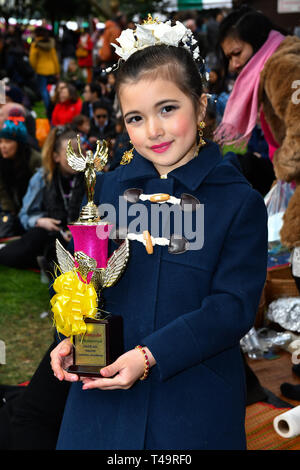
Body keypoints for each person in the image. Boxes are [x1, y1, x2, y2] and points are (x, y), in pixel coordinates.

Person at [50, 17, 268, 450]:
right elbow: (84, 278)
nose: (153, 130)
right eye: (136, 117)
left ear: (201, 106)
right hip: (102, 402)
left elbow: (231, 308)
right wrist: (70, 335)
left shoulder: (236, 201)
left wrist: (152, 356)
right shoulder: (108, 188)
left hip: (189, 403)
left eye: (168, 108)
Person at [215, 6, 300, 290]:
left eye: (236, 53)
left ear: (259, 41)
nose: (234, 66)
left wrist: (287, 169)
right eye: (229, 58)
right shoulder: (278, 62)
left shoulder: (282, 66)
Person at [0, 126, 85, 273]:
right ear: (56, 157)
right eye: (71, 153)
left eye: (81, 152)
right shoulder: (42, 178)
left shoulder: (93, 177)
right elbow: (25, 214)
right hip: (52, 233)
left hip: (83, 236)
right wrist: (40, 221)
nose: (78, 158)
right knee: (27, 244)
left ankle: (50, 262)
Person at [0, 114, 41, 237]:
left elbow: (38, 192)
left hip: (34, 209)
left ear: (19, 143)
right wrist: (10, 210)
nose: (3, 146)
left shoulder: (35, 160)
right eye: (0, 141)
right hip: (13, 208)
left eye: (8, 141)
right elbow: (2, 190)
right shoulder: (2, 160)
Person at [29, 27, 60, 118]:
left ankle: (48, 109)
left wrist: (34, 68)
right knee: (52, 90)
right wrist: (57, 71)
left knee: (43, 91)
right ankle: (54, 108)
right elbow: (55, 58)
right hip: (51, 69)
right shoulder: (50, 44)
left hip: (41, 70)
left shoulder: (35, 44)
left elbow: (32, 59)